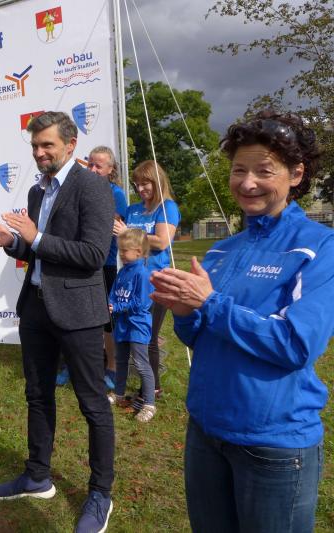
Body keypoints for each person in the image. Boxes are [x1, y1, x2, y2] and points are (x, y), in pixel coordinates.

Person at [151, 111, 333, 532]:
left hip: (272, 442)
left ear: (296, 174)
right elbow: (202, 337)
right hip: (206, 430)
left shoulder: (320, 246)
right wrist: (185, 313)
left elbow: (295, 345)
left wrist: (210, 304)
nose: (248, 183)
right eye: (238, 170)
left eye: (264, 171)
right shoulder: (222, 250)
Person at [0, 111, 115, 533]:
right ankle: (37, 476)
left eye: (48, 145)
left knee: (93, 404)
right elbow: (36, 252)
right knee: (38, 396)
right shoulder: (37, 191)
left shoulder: (92, 187)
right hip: (36, 307)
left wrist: (35, 237)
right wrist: (12, 242)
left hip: (79, 313)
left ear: (71, 145)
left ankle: (100, 493)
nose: (40, 153)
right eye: (35, 146)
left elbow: (93, 255)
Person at [112, 160, 179, 400]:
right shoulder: (133, 210)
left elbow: (162, 241)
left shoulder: (167, 207)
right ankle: (133, 387)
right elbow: (124, 240)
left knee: (148, 337)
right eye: (137, 184)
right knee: (130, 334)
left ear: (157, 182)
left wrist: (128, 233)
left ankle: (152, 390)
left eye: (145, 183)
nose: (140, 189)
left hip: (156, 281)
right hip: (131, 280)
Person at [88, 146, 128, 391]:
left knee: (107, 321)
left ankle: (112, 367)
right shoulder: (81, 188)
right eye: (90, 164)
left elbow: (112, 227)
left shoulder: (117, 194)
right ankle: (76, 365)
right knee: (81, 319)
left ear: (110, 169)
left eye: (98, 166)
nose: (93, 169)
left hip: (105, 264)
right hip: (81, 263)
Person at [107, 228, 155, 423]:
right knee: (120, 361)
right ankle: (119, 394)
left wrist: (117, 307)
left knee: (142, 365)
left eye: (125, 250)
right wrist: (110, 303)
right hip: (122, 324)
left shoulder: (142, 274)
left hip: (138, 326)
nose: (121, 254)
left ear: (139, 252)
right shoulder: (122, 271)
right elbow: (113, 293)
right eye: (120, 250)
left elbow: (141, 303)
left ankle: (149, 404)